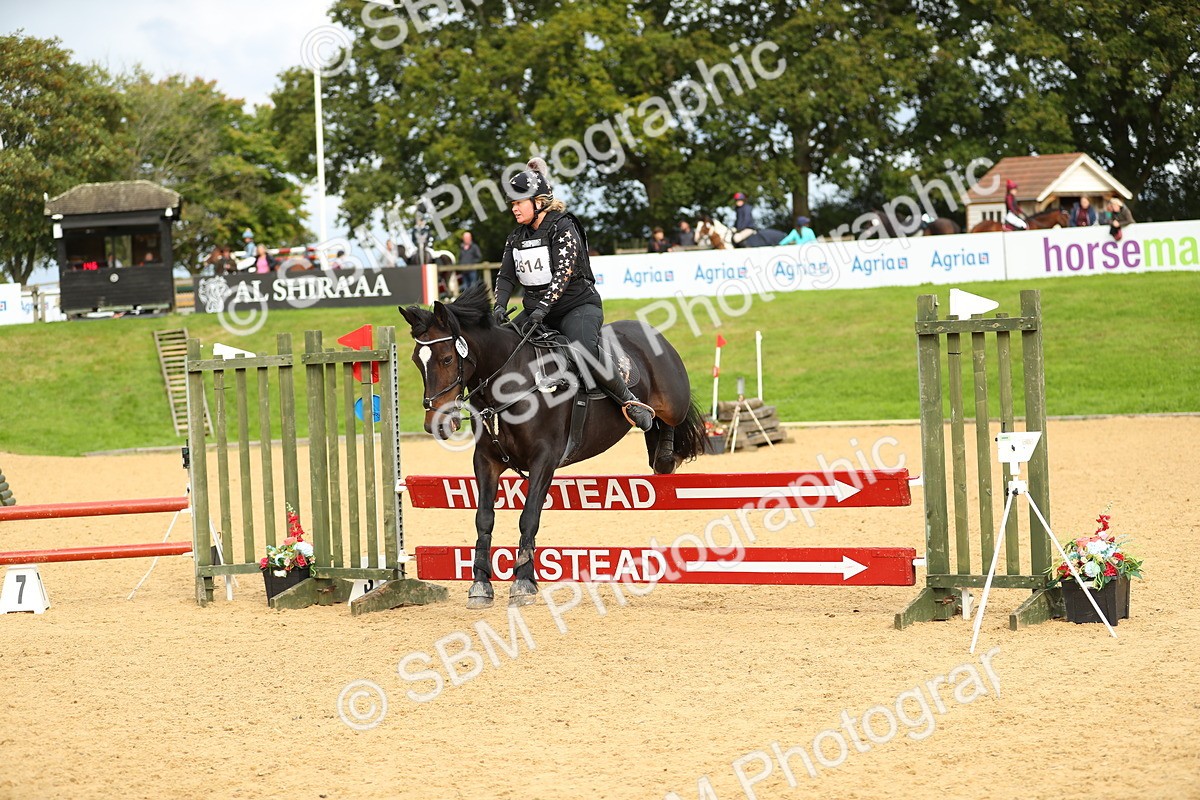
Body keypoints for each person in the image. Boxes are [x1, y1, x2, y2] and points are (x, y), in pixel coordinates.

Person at [493, 157, 654, 431]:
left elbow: (562, 276)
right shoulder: (515, 237)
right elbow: (506, 275)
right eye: (512, 204)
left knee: (584, 348)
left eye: (519, 202)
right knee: (501, 347)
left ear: (539, 202)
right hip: (537, 311)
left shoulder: (563, 227)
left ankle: (629, 401)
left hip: (576, 307)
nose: (514, 209)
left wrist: (542, 309)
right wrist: (499, 306)